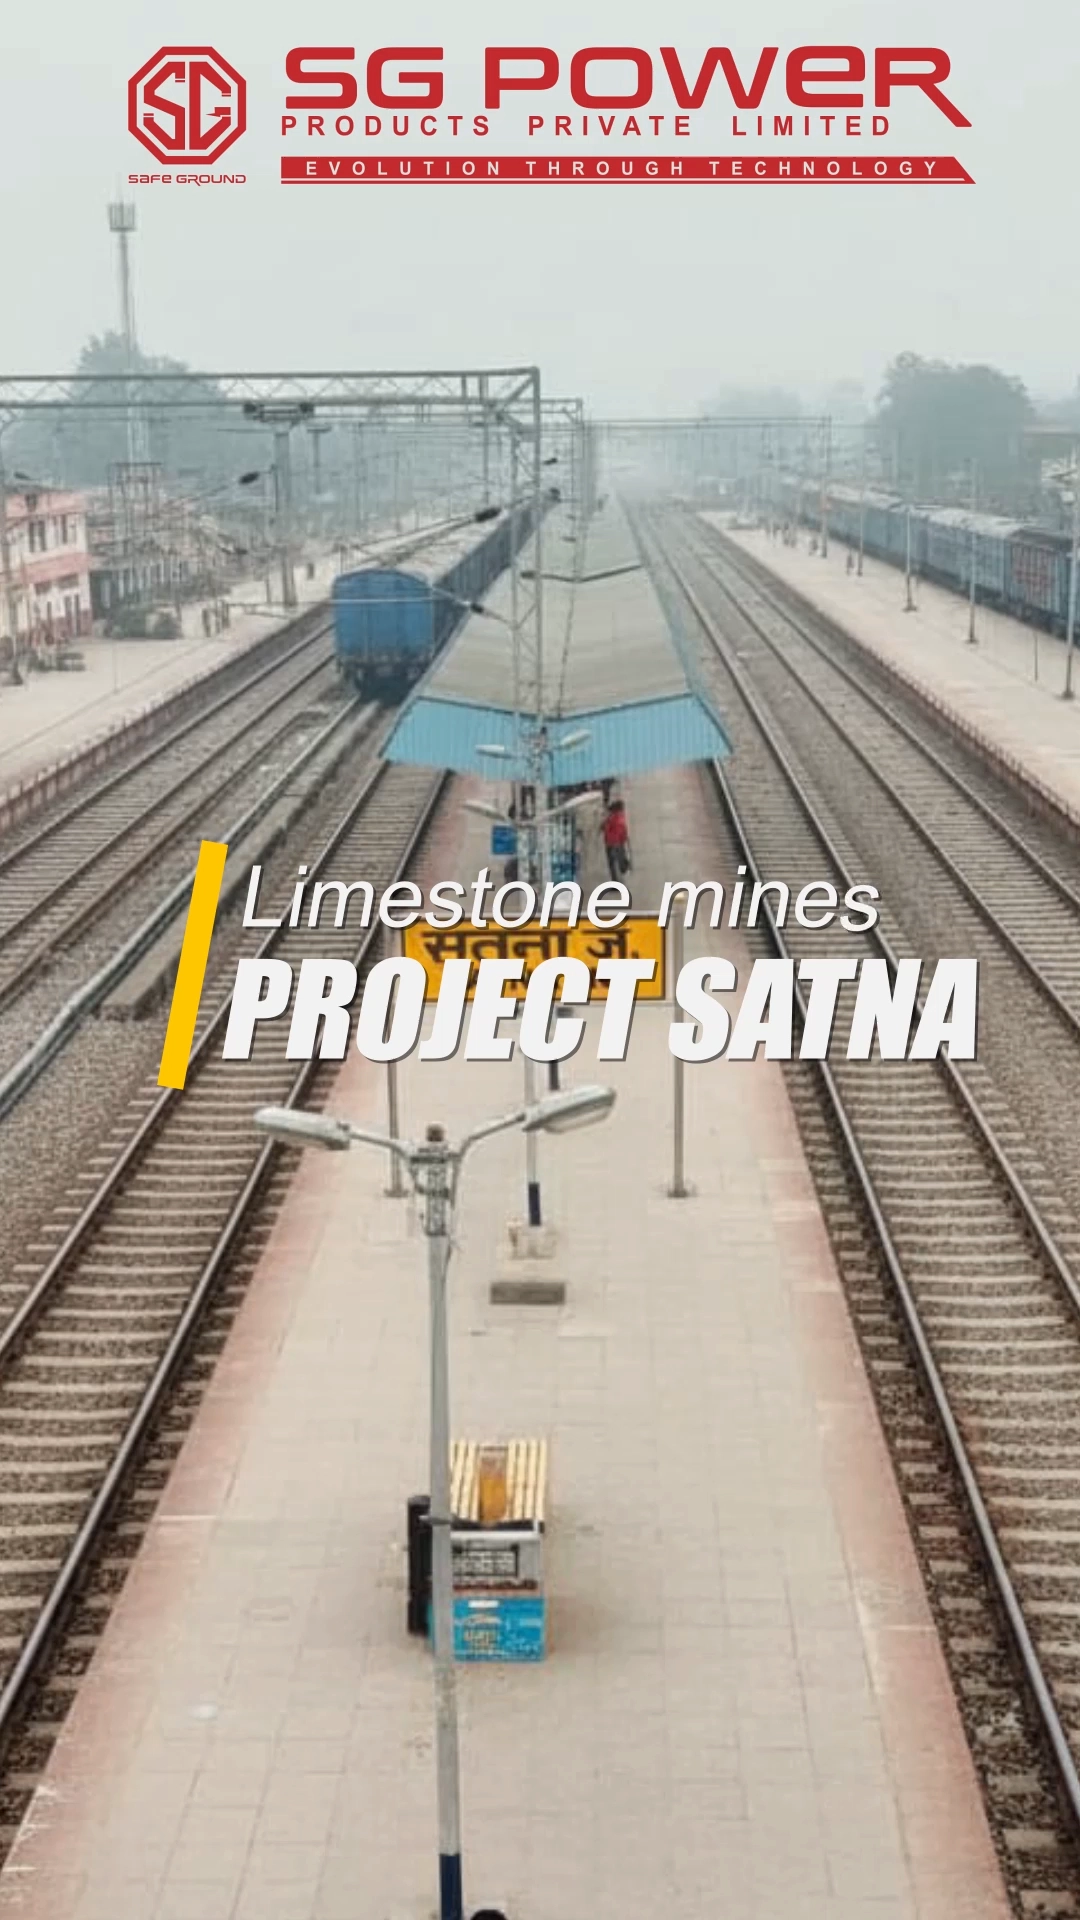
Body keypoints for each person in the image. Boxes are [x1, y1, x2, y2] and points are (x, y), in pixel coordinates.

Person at [601, 797, 631, 880]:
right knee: (620, 855)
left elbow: (606, 828)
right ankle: (623, 866)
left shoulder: (611, 818)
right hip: (619, 841)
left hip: (610, 842)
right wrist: (624, 837)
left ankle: (615, 877)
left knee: (612, 861)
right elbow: (623, 828)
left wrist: (604, 826)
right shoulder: (620, 816)